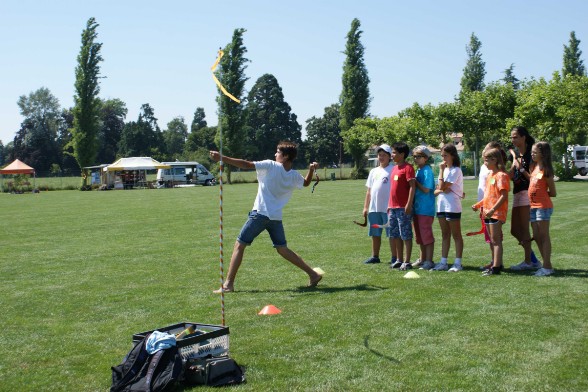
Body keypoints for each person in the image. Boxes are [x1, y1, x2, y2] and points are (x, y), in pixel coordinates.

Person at [210, 141, 322, 293]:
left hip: (260, 214)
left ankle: (228, 284)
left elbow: (246, 164)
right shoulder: (294, 175)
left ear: (286, 156)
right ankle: (313, 274)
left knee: (239, 245)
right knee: (282, 249)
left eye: (278, 152)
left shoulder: (271, 165)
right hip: (275, 218)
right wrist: (310, 169)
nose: (275, 154)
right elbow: (307, 183)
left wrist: (222, 158)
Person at [472, 148, 510, 276]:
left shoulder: (501, 175)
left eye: (486, 160)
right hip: (487, 212)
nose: (485, 163)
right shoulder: (490, 176)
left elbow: (503, 196)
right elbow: (488, 196)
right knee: (492, 240)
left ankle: (496, 267)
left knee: (496, 240)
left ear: (495, 160)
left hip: (496, 213)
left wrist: (493, 209)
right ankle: (495, 264)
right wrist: (478, 205)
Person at [508, 126, 542, 270]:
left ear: (523, 137)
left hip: (527, 193)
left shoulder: (530, 155)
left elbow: (533, 178)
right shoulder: (515, 155)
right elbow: (510, 176)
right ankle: (533, 259)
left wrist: (520, 167)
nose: (513, 140)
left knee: (523, 228)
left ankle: (528, 262)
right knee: (514, 230)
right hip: (517, 193)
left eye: (515, 137)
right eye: (511, 137)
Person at [362, 144, 397, 264]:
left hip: (388, 208)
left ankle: (394, 257)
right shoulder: (373, 171)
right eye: (379, 155)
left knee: (391, 233)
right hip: (374, 208)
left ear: (389, 157)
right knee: (375, 233)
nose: (381, 157)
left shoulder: (393, 169)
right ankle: (375, 256)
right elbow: (369, 191)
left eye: (384, 155)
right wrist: (366, 207)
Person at [433, 143, 464, 272]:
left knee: (456, 235)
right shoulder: (446, 170)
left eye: (445, 156)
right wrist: (442, 189)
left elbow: (442, 187)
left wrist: (441, 186)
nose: (443, 159)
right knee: (445, 234)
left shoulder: (455, 170)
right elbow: (437, 190)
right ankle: (443, 262)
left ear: (452, 155)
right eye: (442, 156)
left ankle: (458, 263)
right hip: (441, 205)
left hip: (452, 205)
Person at [529, 142, 557, 276]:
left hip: (543, 207)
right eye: (532, 152)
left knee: (544, 236)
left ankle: (547, 266)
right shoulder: (534, 167)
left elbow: (553, 192)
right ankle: (546, 264)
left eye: (535, 152)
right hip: (533, 206)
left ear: (543, 154)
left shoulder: (546, 170)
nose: (532, 154)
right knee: (536, 235)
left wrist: (542, 195)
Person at [388, 142, 416, 270]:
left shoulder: (408, 168)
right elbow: (393, 189)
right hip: (393, 208)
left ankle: (407, 261)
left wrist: (409, 204)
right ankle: (399, 260)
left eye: (394, 152)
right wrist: (389, 205)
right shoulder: (394, 168)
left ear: (402, 154)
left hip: (403, 207)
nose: (392, 155)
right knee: (395, 234)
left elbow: (412, 187)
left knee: (405, 234)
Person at [411, 146, 436, 270]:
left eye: (419, 156)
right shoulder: (418, 170)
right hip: (417, 208)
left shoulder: (427, 171)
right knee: (419, 236)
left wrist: (415, 182)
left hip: (426, 209)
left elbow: (426, 189)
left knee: (426, 235)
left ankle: (429, 260)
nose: (416, 159)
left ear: (425, 158)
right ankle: (422, 258)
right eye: (414, 156)